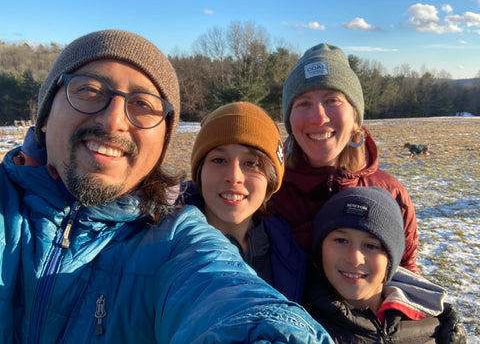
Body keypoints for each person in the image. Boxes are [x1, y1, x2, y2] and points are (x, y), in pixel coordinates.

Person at [0, 29, 334, 344]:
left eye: (143, 105)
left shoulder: (176, 238)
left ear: (161, 144)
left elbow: (227, 294)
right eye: (89, 90)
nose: (113, 120)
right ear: (43, 114)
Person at [271, 43, 419, 274]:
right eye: (303, 103)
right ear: (290, 121)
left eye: (333, 100)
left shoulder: (392, 195)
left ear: (355, 118)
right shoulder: (270, 193)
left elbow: (406, 272)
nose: (318, 117)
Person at [303, 186, 467, 344]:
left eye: (371, 245)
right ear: (320, 248)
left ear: (391, 259)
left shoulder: (435, 324)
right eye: (341, 240)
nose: (354, 259)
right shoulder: (301, 328)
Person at [179, 101, 307, 302]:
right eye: (219, 160)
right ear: (199, 171)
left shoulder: (290, 253)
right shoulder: (165, 244)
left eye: (252, 163)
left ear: (271, 180)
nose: (234, 176)